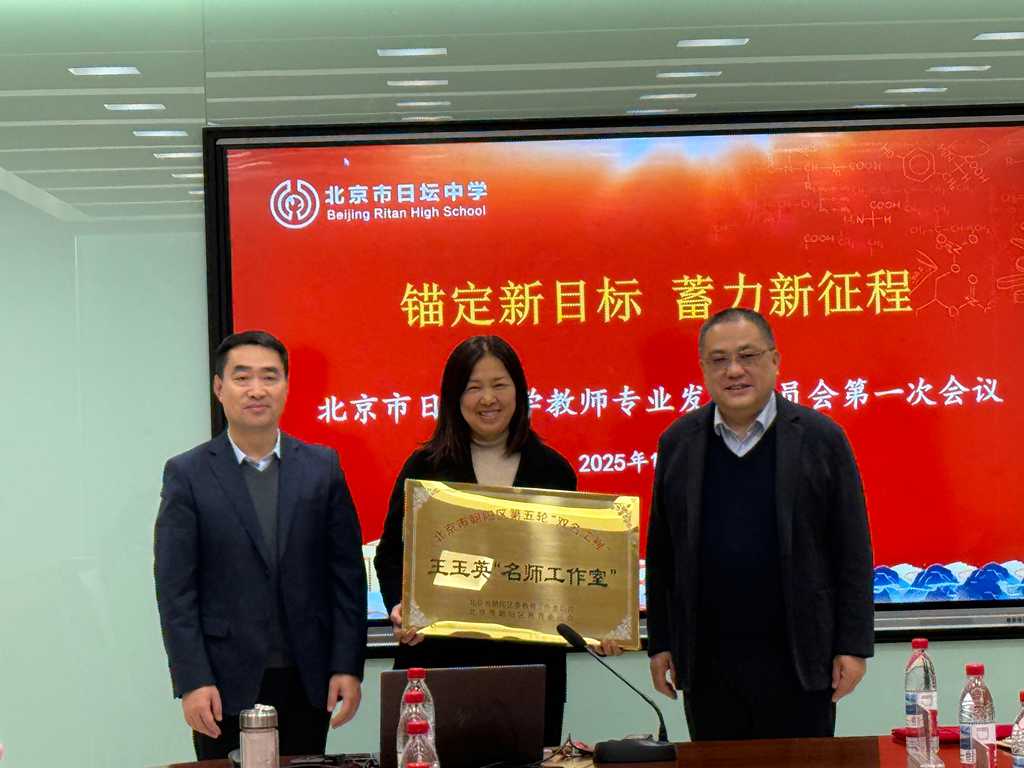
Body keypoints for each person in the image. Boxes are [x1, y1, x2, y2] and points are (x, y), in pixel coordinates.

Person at [373, 335, 619, 747]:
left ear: (519, 392)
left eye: (500, 384)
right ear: (454, 398)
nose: (488, 398)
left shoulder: (552, 470)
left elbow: (567, 570)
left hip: (530, 669)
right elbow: (390, 557)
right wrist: (400, 606)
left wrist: (601, 622)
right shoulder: (426, 467)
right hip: (439, 663)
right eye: (473, 387)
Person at [645, 308, 873, 740]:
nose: (734, 370)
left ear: (775, 360)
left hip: (802, 659)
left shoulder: (821, 438)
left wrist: (853, 646)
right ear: (703, 368)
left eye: (747, 356)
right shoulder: (678, 443)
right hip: (709, 665)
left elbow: (852, 550)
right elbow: (662, 554)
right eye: (719, 360)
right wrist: (660, 643)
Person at [154, 330, 367, 760]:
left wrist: (347, 666)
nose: (256, 390)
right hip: (221, 683)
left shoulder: (322, 468)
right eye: (242, 377)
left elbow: (346, 577)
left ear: (286, 387)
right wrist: (193, 680)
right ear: (219, 388)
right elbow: (176, 590)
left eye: (269, 377)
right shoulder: (188, 474)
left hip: (307, 678)